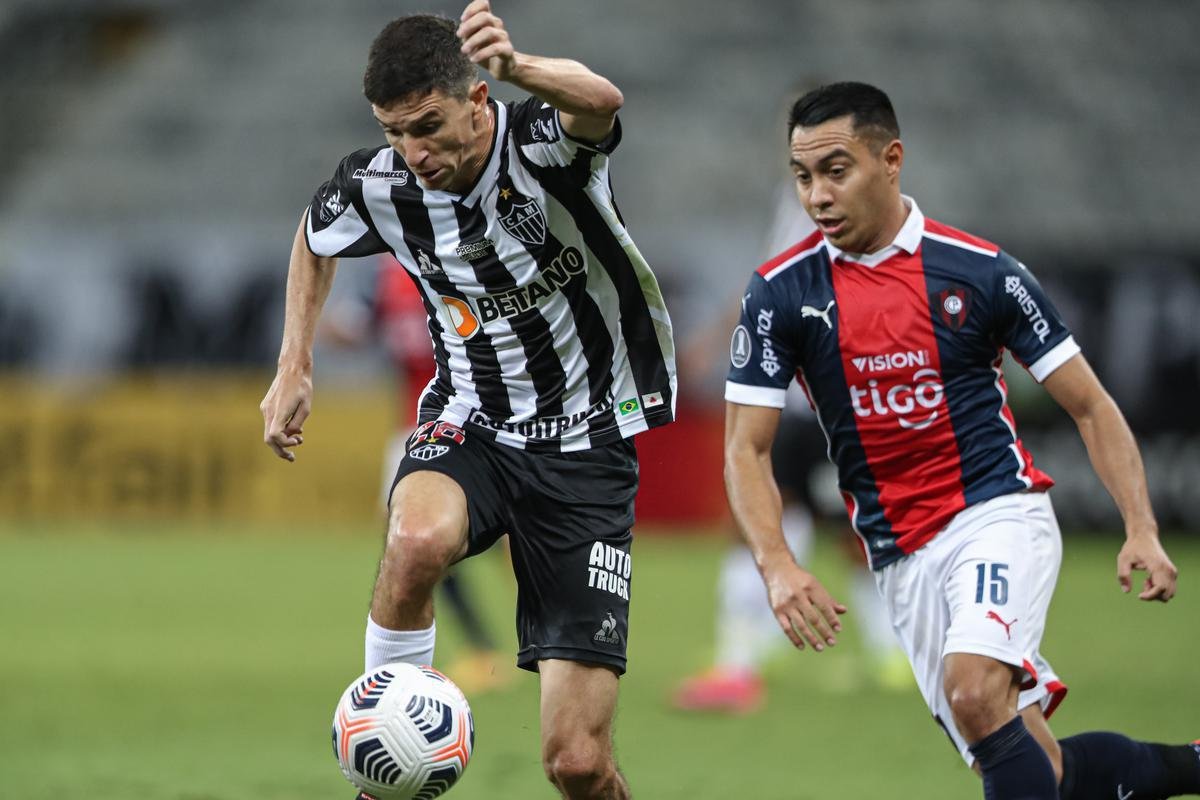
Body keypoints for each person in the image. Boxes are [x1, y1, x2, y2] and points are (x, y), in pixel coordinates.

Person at [724, 81, 1199, 799]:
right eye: (802, 176)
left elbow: (1092, 407)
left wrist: (1140, 526)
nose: (816, 195)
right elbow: (745, 449)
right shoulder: (780, 292)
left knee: (975, 690)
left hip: (994, 513)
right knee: (1037, 766)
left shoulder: (981, 272)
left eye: (835, 170)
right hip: (899, 555)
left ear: (891, 159)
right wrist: (778, 565)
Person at [259, 4, 676, 799]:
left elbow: (601, 101)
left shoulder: (542, 147)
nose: (413, 153)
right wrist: (294, 363)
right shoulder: (383, 185)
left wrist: (518, 66)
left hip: (585, 445)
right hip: (470, 420)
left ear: (477, 100)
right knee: (416, 541)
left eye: (427, 125)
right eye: (393, 132)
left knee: (578, 765)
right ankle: (383, 761)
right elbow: (314, 234)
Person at [673, 183, 907, 715]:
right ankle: (739, 661)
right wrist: (715, 340)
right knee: (757, 515)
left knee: (854, 529)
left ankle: (894, 649)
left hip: (834, 402)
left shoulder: (866, 212)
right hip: (787, 401)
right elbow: (765, 283)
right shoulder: (793, 202)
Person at [320, 255, 512, 696]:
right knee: (412, 536)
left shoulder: (438, 263)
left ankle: (516, 645)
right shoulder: (396, 270)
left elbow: (351, 329)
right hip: (425, 419)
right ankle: (493, 648)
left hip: (471, 419)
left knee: (452, 534)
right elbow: (356, 327)